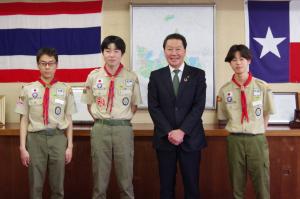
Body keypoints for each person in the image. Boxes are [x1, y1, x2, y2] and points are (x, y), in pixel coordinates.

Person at [81, 35, 142, 199]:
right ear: (103, 53)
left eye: (116, 51)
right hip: (101, 128)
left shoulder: (131, 77)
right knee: (99, 179)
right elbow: (89, 103)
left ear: (122, 53)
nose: (112, 54)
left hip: (123, 128)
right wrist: (101, 119)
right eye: (107, 51)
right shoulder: (93, 76)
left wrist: (121, 118)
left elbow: (134, 105)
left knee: (126, 178)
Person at [148, 33, 207, 199]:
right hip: (164, 139)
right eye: (169, 49)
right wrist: (169, 131)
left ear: (185, 51)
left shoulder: (198, 74)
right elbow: (154, 107)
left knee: (192, 186)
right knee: (166, 187)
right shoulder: (156, 76)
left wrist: (182, 131)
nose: (174, 53)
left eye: (178, 49)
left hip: (191, 138)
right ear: (164, 51)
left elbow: (198, 106)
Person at [15, 47, 77, 199]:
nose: (47, 67)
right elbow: (23, 120)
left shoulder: (66, 89)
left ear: (56, 65)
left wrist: (70, 146)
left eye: (51, 63)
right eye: (43, 63)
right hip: (35, 139)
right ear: (38, 65)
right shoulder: (27, 89)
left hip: (57, 138)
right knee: (35, 186)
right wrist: (23, 147)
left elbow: (69, 119)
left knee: (58, 186)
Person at [217, 44, 275, 199]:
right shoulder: (224, 90)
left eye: (241, 59)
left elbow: (267, 112)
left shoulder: (262, 86)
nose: (238, 63)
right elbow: (222, 115)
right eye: (233, 60)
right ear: (230, 63)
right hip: (234, 140)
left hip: (256, 139)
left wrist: (260, 130)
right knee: (237, 184)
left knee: (261, 182)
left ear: (248, 60)